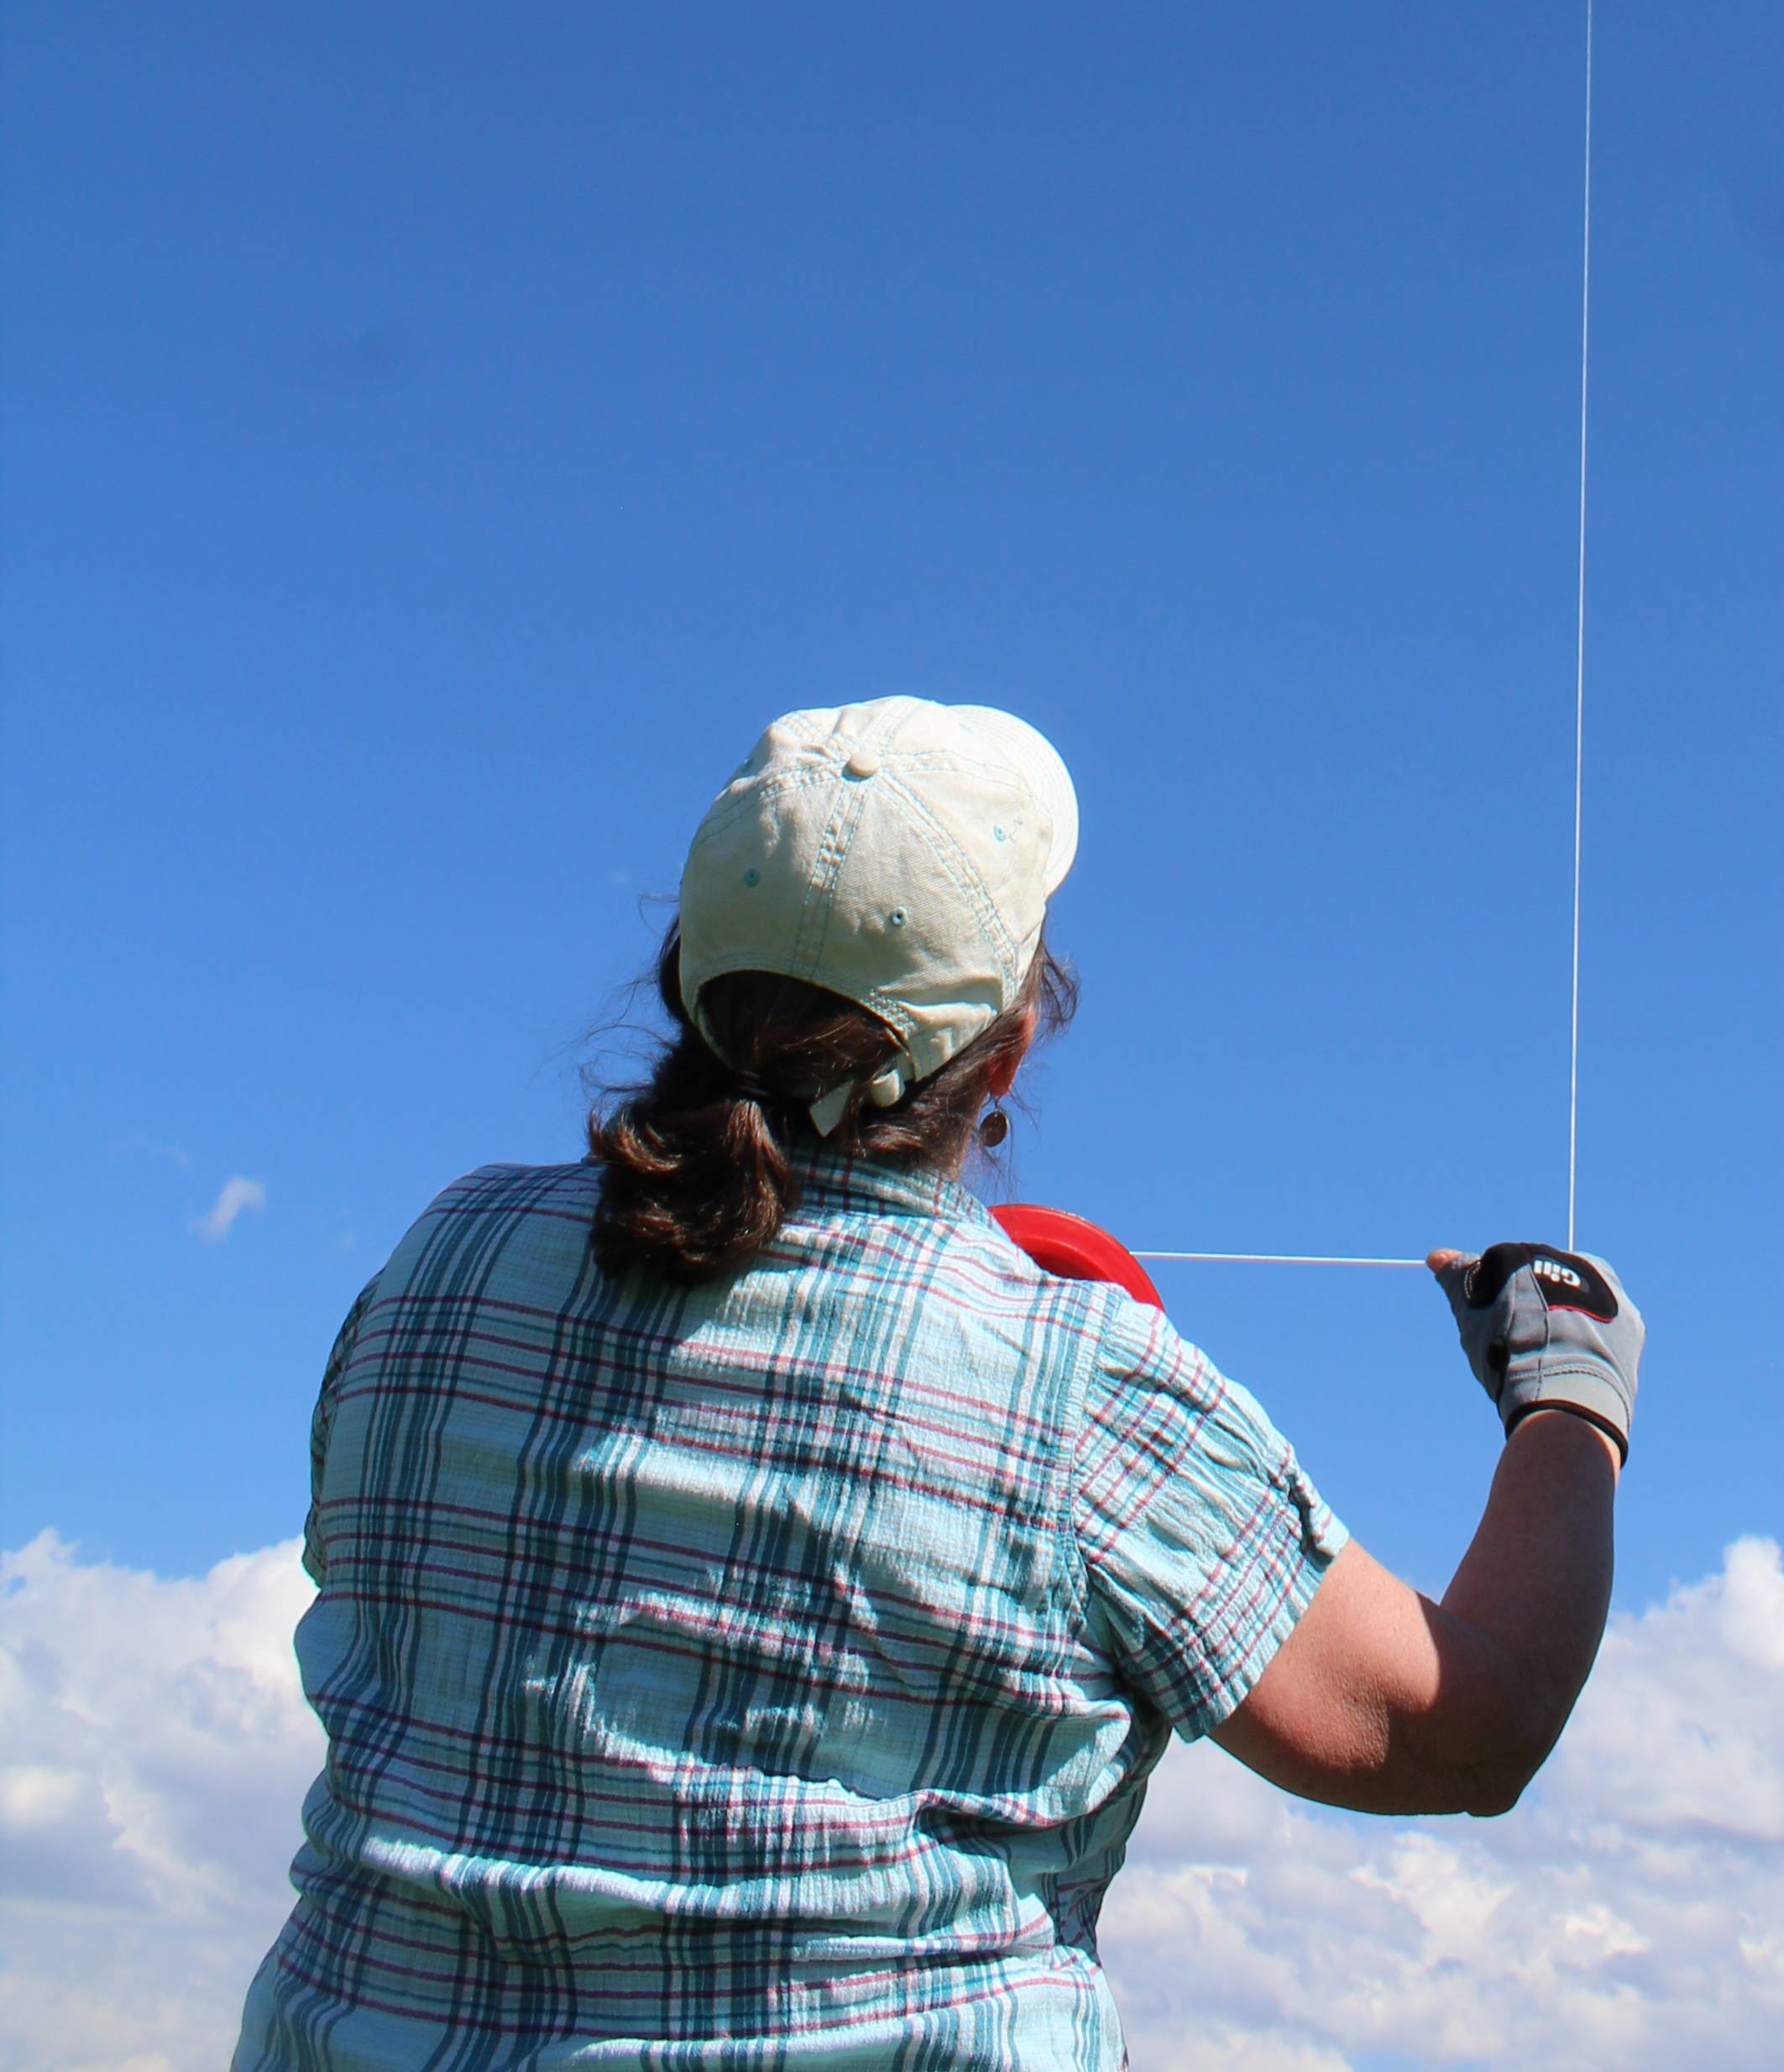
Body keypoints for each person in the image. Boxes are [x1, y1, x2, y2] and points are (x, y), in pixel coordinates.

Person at [236, 693, 1641, 2070]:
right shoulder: (1081, 1385)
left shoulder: (446, 1256)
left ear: (688, 982)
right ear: (1014, 1044)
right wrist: (1570, 1391)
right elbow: (1471, 1732)